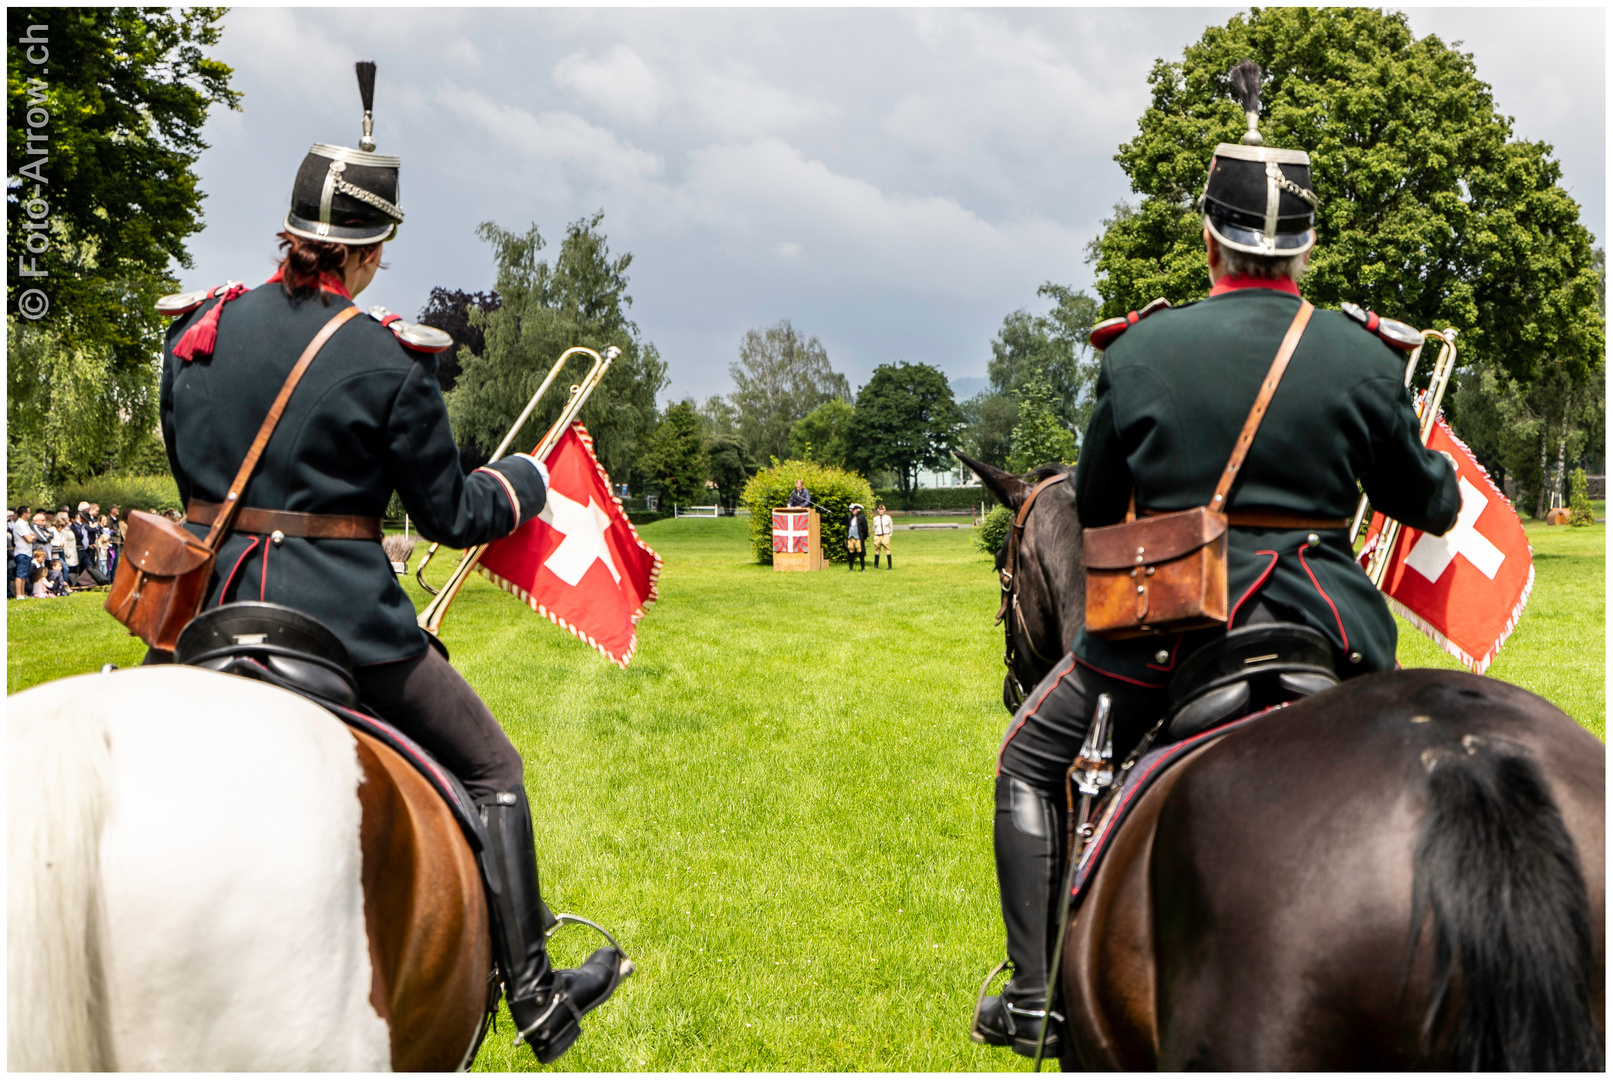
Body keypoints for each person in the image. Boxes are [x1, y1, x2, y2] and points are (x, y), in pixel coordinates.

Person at [971, 67, 1461, 1060]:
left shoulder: (1140, 355)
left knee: (1024, 759)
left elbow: (1098, 517)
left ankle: (1030, 998)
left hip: (1172, 629)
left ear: (1208, 240)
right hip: (1331, 630)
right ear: (1304, 248)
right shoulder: (1363, 357)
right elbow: (1431, 503)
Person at [153, 65, 624, 1064]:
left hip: (212, 608)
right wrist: (525, 486)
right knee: (495, 770)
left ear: (291, 234)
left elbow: (192, 468)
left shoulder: (195, 331)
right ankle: (536, 994)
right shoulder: (385, 360)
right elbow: (451, 514)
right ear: (367, 256)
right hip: (343, 628)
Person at [845, 503, 868, 571]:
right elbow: (847, 527)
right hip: (850, 537)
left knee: (860, 552)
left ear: (857, 510)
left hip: (858, 537)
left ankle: (862, 568)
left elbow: (865, 528)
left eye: (854, 509)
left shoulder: (861, 517)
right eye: (852, 510)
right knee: (850, 552)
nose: (853, 511)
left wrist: (863, 537)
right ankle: (851, 568)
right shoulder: (849, 517)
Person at [871, 503, 893, 569]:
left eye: (882, 510)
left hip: (885, 534)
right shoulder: (875, 518)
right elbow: (874, 527)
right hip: (877, 535)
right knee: (877, 549)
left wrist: (889, 534)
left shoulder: (888, 518)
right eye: (880, 510)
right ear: (878, 510)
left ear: (884, 510)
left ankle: (890, 566)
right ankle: (876, 566)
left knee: (887, 549)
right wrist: (876, 533)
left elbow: (891, 526)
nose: (881, 511)